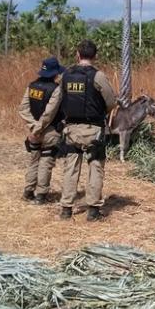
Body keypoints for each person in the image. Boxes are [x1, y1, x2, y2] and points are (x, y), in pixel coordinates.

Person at [58, 40, 117, 221]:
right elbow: (111, 101)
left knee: (70, 169)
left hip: (71, 130)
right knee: (95, 168)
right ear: (95, 56)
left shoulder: (66, 76)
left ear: (77, 54)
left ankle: (66, 209)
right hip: (93, 130)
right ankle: (92, 211)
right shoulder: (98, 76)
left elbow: (59, 99)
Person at [19, 57, 65, 204]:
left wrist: (33, 127)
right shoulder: (56, 89)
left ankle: (28, 191)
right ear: (54, 74)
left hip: (34, 132)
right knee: (46, 161)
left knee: (34, 160)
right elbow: (49, 113)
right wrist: (39, 128)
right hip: (49, 131)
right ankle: (41, 194)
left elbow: (23, 109)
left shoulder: (31, 86)